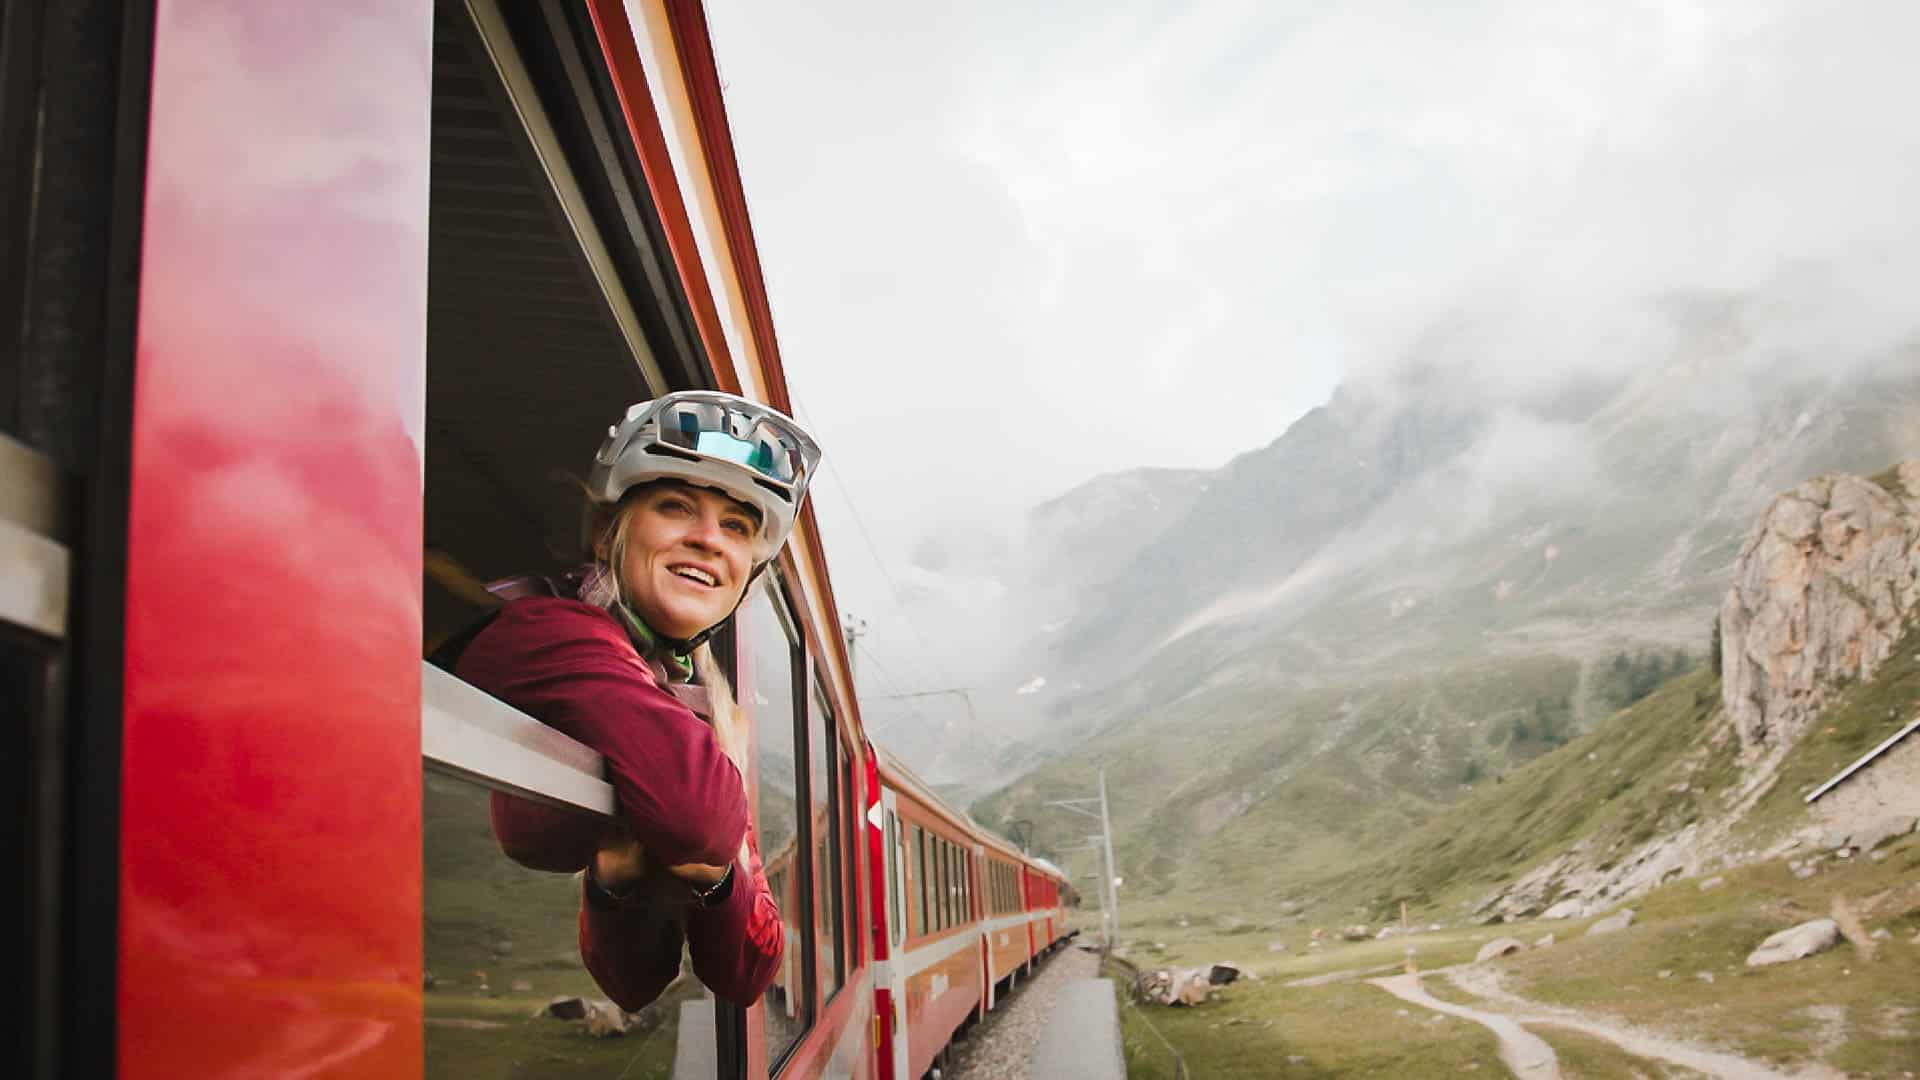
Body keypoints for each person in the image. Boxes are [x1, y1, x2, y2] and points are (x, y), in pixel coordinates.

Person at [447, 390, 821, 1011]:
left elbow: (704, 977)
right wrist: (702, 843)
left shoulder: (675, 690)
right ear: (607, 533)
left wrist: (623, 878)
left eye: (736, 527)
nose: (709, 539)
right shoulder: (556, 634)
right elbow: (698, 818)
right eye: (677, 507)